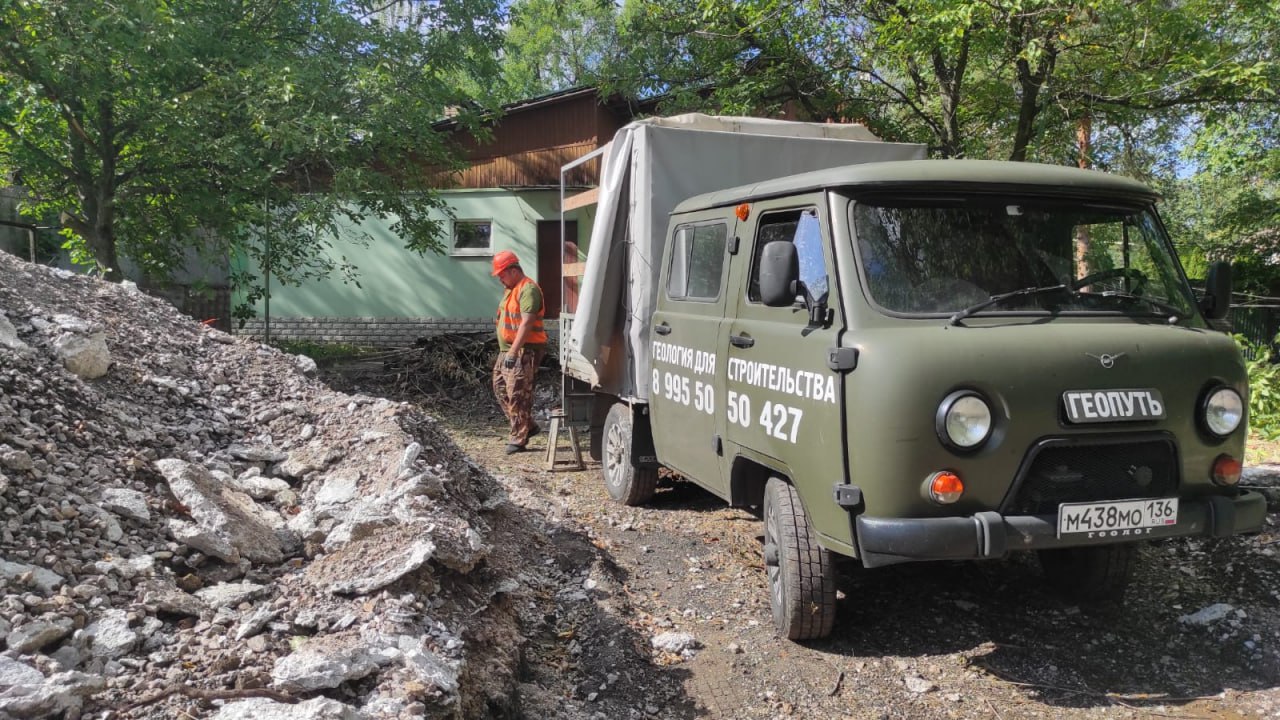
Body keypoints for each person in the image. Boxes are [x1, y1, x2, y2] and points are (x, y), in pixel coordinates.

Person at [490, 250, 547, 454]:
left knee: (518, 395)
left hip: (523, 351)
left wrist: (514, 351)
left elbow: (527, 323)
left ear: (513, 270)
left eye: (501, 274)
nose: (500, 279)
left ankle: (518, 439)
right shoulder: (511, 289)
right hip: (507, 350)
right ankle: (528, 426)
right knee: (500, 389)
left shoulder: (528, 289)